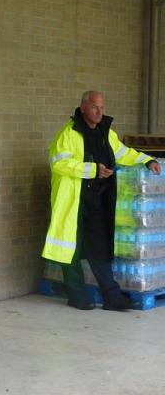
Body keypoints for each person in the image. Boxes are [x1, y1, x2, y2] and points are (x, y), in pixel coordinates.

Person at [42, 91, 161, 311]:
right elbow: (58, 164)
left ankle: (112, 297)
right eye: (95, 107)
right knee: (71, 249)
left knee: (100, 248)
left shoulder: (107, 133)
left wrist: (147, 160)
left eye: (103, 108)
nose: (100, 112)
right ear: (84, 107)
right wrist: (93, 170)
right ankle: (77, 295)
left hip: (97, 201)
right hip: (74, 201)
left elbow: (123, 153)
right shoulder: (68, 134)